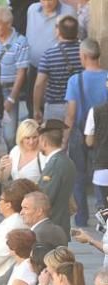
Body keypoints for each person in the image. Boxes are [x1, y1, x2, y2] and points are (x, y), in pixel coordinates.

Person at [65, 39, 108, 228]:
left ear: (82, 56)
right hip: (104, 135)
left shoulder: (76, 80)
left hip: (80, 134)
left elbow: (71, 113)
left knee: (79, 178)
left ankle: (82, 218)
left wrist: (64, 139)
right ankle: (103, 215)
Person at [25, 0, 76, 118]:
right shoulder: (32, 10)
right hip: (34, 66)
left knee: (54, 106)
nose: (47, 3)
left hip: (57, 68)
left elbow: (75, 37)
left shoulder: (68, 11)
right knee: (32, 105)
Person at [0, 6, 29, 149]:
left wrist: (12, 98)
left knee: (10, 135)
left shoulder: (20, 42)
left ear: (8, 24)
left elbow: (21, 72)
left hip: (8, 90)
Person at [33, 15, 82, 123]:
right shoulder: (84, 53)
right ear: (77, 32)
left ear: (58, 32)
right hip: (79, 104)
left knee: (53, 138)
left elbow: (39, 84)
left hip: (54, 106)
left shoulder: (49, 54)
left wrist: (36, 109)